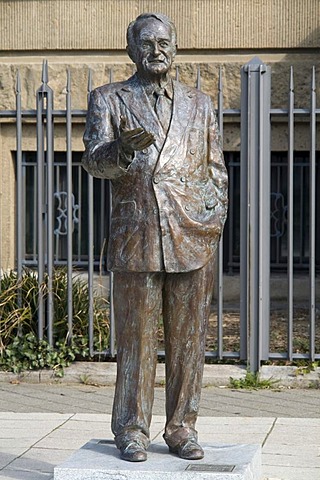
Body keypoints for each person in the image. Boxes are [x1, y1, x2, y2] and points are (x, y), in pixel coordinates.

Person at [82, 12, 228, 463]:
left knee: (189, 341)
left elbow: (216, 170)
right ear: (131, 50)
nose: (156, 50)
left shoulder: (199, 104)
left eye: (164, 42)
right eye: (146, 43)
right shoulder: (109, 99)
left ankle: (182, 427)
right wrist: (120, 150)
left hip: (191, 236)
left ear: (176, 46)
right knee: (136, 342)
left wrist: (211, 220)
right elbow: (94, 162)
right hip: (137, 234)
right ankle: (131, 429)